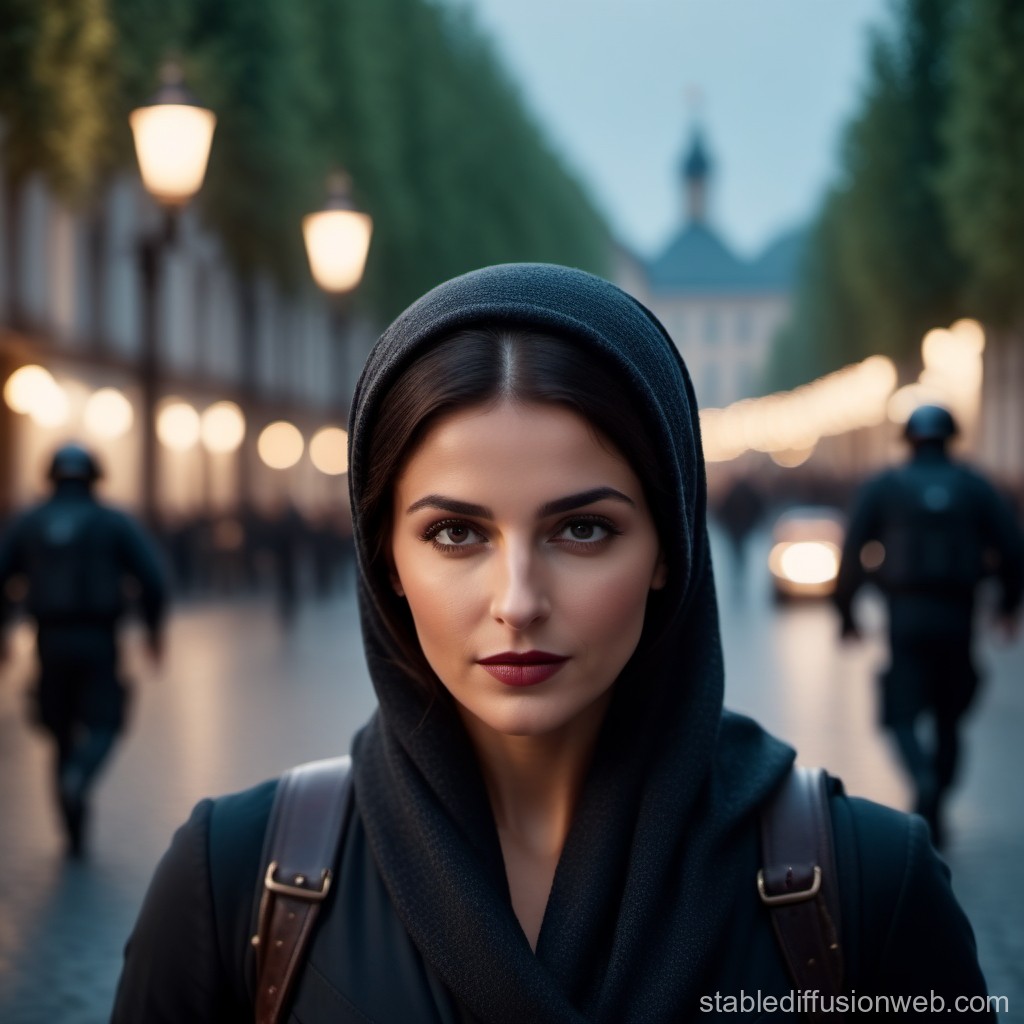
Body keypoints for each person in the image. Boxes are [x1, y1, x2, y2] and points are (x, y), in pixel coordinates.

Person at [112, 265, 994, 1022]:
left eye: (581, 530)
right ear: (384, 557)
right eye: (457, 535)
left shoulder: (871, 889)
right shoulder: (231, 884)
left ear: (669, 549)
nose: (518, 602)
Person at [833, 403, 1024, 848]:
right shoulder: (975, 486)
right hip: (959, 616)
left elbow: (854, 550)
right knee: (949, 718)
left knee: (900, 712)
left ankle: (922, 779)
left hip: (905, 616)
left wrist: (847, 613)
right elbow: (1013, 549)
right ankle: (936, 804)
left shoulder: (886, 486)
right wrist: (1008, 606)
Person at [0, 442, 168, 857]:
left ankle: (72, 831)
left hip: (48, 640)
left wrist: (3, 632)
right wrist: (153, 631)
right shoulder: (112, 522)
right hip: (98, 639)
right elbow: (154, 577)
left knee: (59, 733)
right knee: (105, 721)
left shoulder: (29, 522)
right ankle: (81, 776)